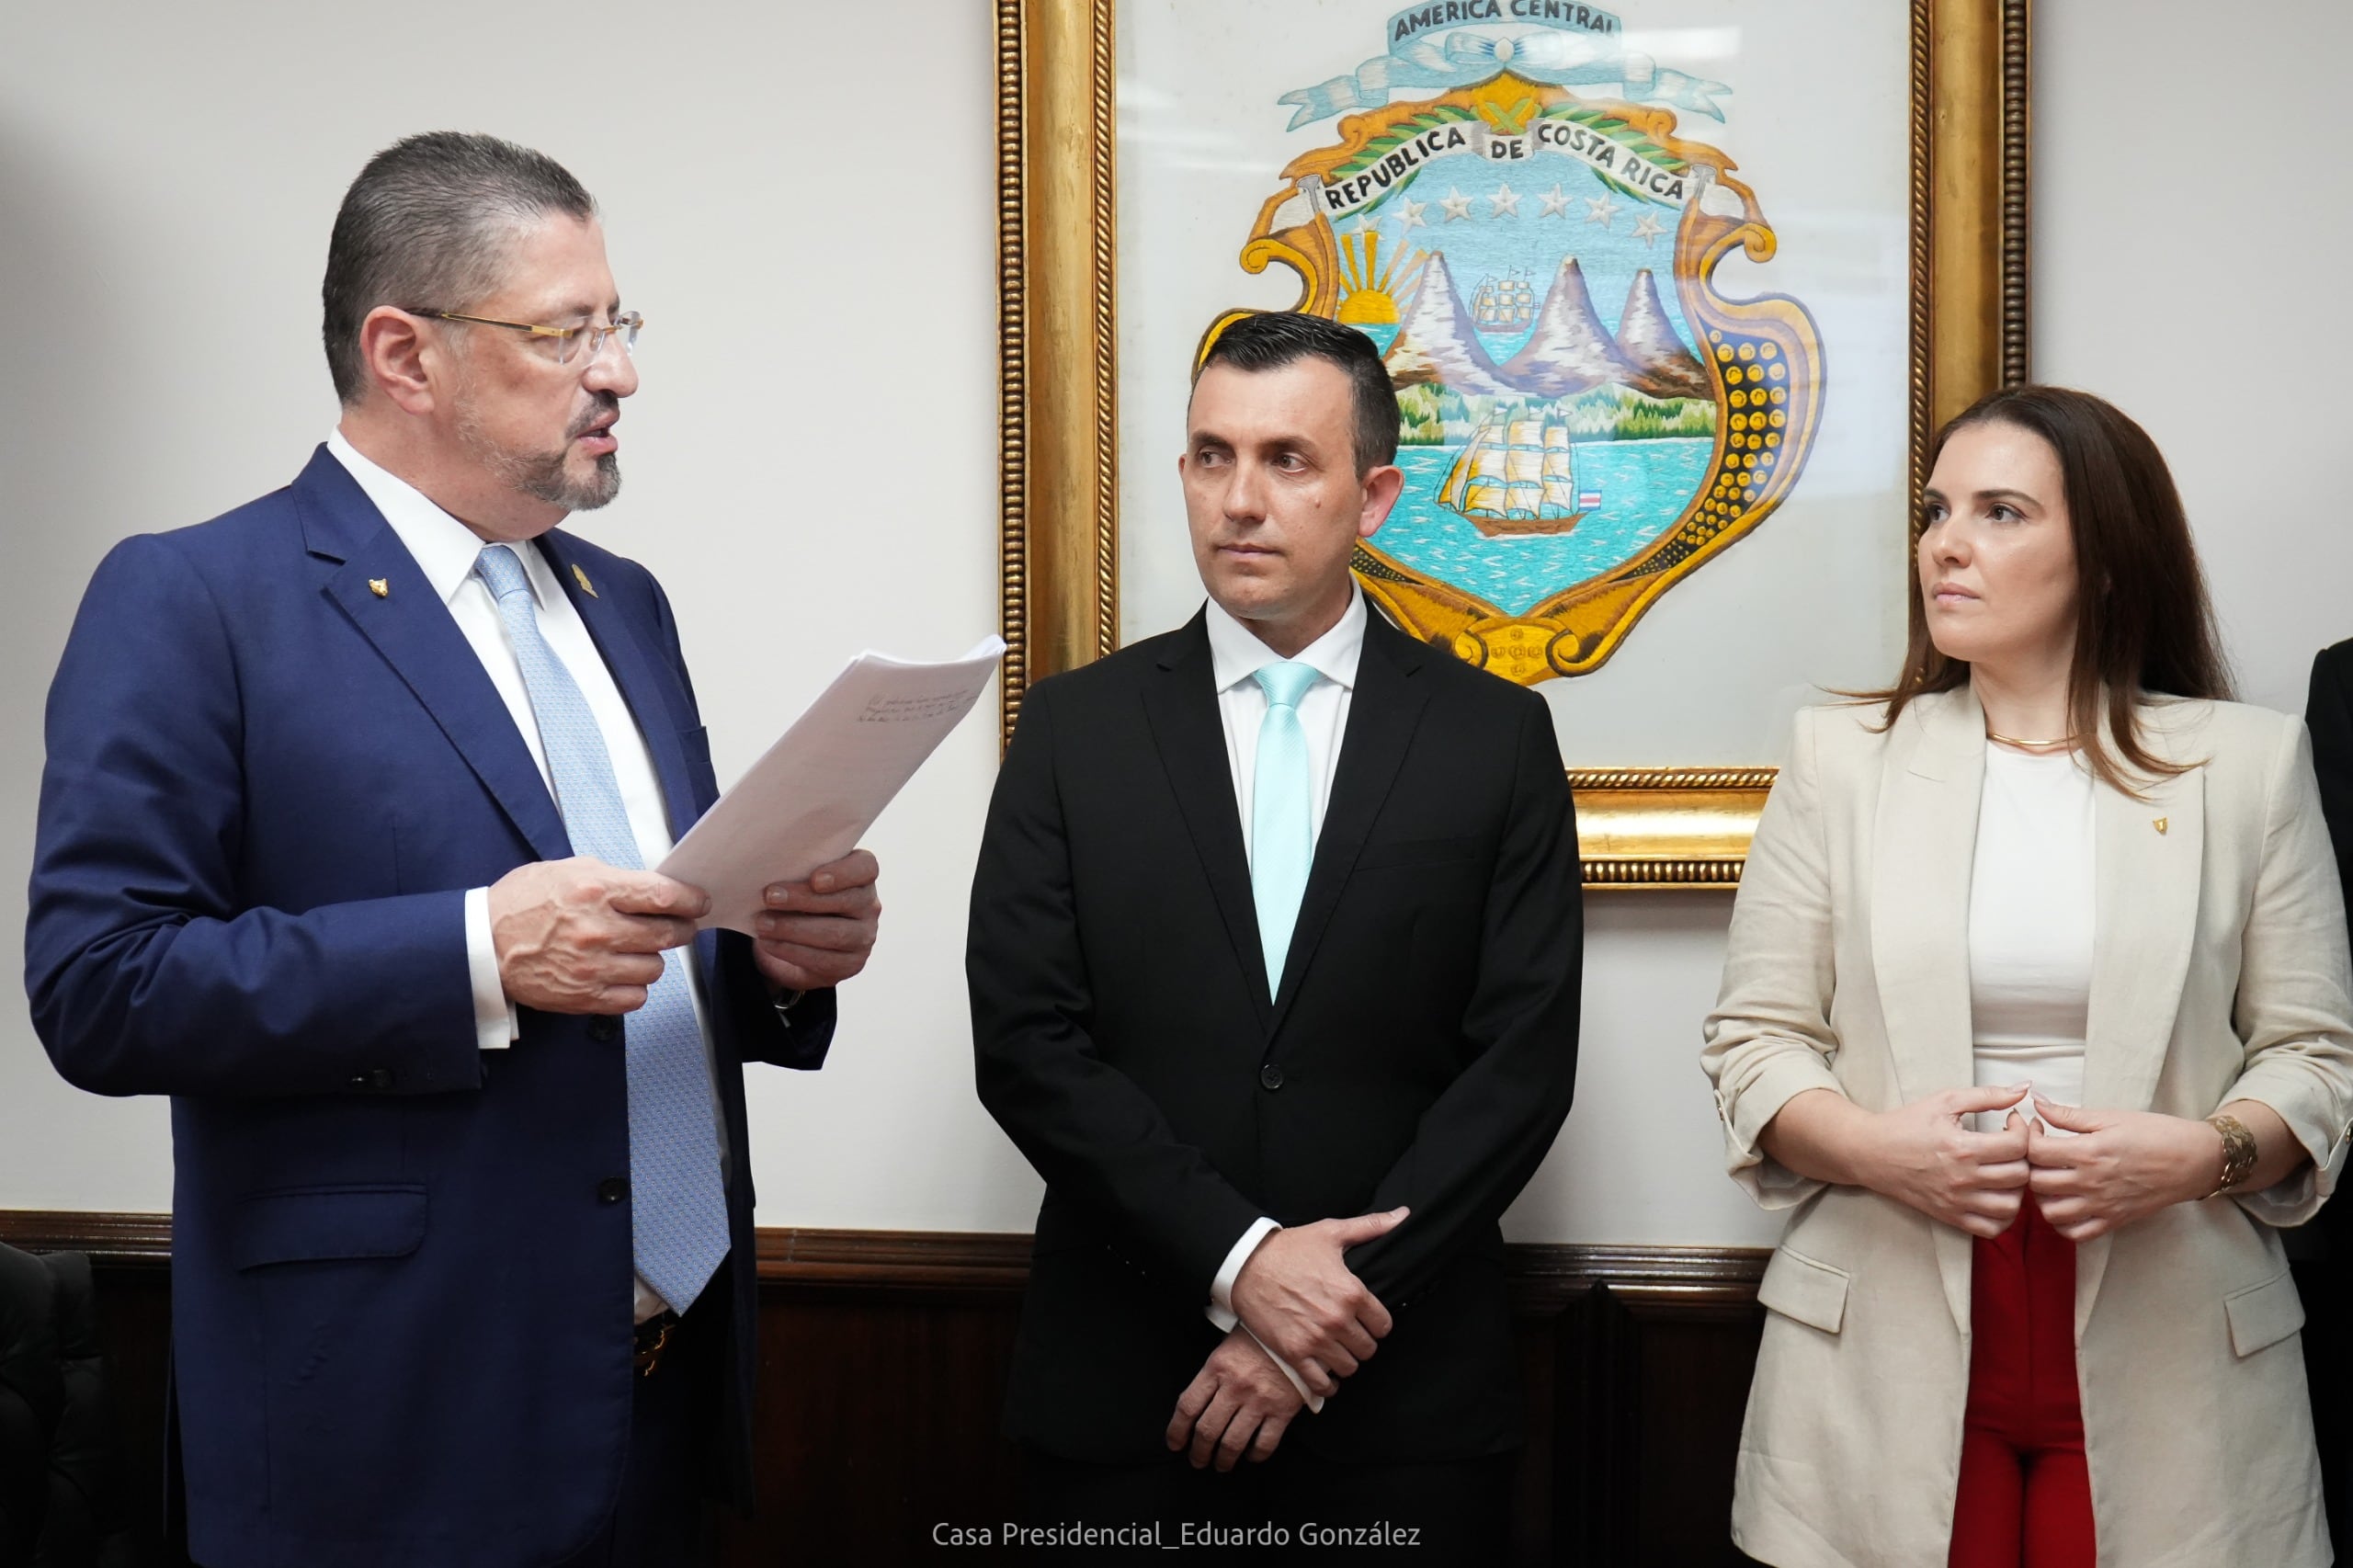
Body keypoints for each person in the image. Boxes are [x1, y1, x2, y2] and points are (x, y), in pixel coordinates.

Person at [24, 132, 883, 1568]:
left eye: (620, 324)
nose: (619, 371)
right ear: (403, 353)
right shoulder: (194, 599)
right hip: (384, 1426)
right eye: (567, 330)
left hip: (665, 1396)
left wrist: (777, 961)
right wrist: (475, 949)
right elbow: (99, 983)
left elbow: (645, 950)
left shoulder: (625, 604)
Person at [966, 310, 1584, 1560]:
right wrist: (1242, 1263)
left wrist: (1323, 1317)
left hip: (1404, 1402)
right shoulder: (1073, 729)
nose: (1239, 500)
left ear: (1376, 495)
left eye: (1287, 460)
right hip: (1127, 1397)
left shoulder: (1493, 736)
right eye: (1210, 455)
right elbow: (1028, 1043)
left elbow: (1518, 1067)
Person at [1702, 383, 2353, 1567]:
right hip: (1884, 1338)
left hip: (2177, 1345)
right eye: (1938, 509)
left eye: (2001, 512)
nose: (1946, 543)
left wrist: (2205, 1154)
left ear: (2105, 558)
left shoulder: (2249, 764)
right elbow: (1755, 1038)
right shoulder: (1837, 759)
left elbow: (2316, 1054)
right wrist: (1873, 1148)